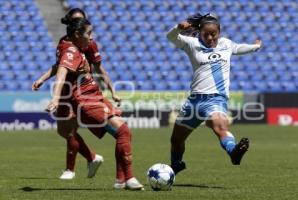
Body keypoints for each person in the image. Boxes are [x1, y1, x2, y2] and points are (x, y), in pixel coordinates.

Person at [46, 17, 144, 190]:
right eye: (88, 33)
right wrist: (55, 98)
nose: (91, 37)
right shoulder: (71, 51)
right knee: (123, 131)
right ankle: (129, 178)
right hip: (87, 101)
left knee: (124, 134)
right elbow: (61, 74)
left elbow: (97, 68)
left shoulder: (80, 48)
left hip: (97, 96)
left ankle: (121, 181)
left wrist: (111, 91)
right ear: (77, 34)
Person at [166, 13, 262, 174]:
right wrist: (178, 28)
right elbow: (170, 37)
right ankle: (176, 164)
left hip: (216, 99)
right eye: (206, 34)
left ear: (219, 32)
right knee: (176, 140)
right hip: (194, 102)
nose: (210, 38)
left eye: (214, 34)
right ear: (199, 33)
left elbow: (239, 48)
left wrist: (255, 47)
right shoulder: (191, 44)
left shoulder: (226, 44)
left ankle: (233, 152)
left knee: (220, 126)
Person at [32, 8, 121, 180]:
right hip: (66, 91)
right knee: (64, 131)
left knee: (70, 130)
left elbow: (99, 68)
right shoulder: (64, 43)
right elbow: (60, 67)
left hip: (80, 91)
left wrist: (113, 90)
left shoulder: (88, 43)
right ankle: (92, 158)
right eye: (76, 21)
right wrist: (42, 78)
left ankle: (71, 169)